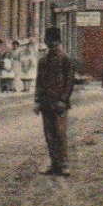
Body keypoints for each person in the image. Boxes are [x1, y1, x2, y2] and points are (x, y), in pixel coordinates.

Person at [35, 25, 77, 176]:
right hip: (46, 103)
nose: (51, 45)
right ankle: (54, 163)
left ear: (58, 43)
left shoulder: (66, 59)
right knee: (49, 134)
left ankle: (64, 164)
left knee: (60, 133)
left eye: (53, 42)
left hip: (59, 104)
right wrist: (37, 101)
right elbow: (39, 82)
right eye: (49, 42)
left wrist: (63, 100)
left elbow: (69, 82)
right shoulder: (43, 61)